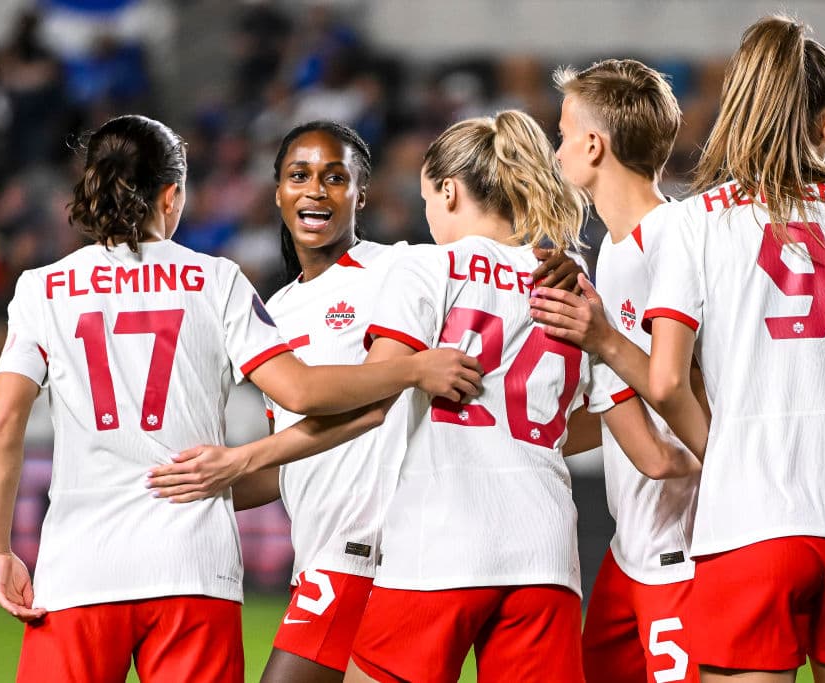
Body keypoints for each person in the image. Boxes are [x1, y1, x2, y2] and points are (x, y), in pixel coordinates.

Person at [0, 114, 481, 683]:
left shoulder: (41, 287)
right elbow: (302, 391)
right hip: (195, 569)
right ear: (172, 195)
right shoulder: (216, 281)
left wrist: (0, 549)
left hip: (79, 569)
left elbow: (2, 426)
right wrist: (413, 368)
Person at [545, 15, 825, 683]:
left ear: (736, 106)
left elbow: (669, 383)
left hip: (754, 521)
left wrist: (734, 446)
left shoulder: (700, 223)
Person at [146, 120, 587, 683]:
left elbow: (480, 284)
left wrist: (545, 259)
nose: (315, 190)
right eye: (298, 176)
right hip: (329, 549)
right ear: (276, 189)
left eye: (335, 177)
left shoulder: (398, 267)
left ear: (362, 192)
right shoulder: (273, 310)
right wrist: (191, 491)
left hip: (375, 549)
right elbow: (297, 463)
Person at [342, 111, 695, 683]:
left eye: (430, 198)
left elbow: (372, 391)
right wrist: (716, 458)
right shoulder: (570, 282)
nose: (429, 212)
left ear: (449, 191)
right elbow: (653, 458)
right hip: (545, 555)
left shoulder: (427, 266)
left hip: (440, 541)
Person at [545, 58, 701, 683]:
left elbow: (660, 449)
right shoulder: (614, 248)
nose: (557, 152)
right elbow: (629, 408)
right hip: (632, 550)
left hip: (682, 551)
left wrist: (600, 349)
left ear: (593, 143)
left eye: (561, 134)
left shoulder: (679, 241)